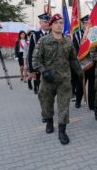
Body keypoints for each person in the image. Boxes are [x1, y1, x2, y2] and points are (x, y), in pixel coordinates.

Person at [33, 13, 83, 145]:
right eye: (56, 23)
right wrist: (44, 72)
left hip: (64, 79)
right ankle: (49, 121)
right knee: (46, 103)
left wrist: (79, 72)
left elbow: (73, 59)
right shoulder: (43, 41)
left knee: (64, 106)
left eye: (61, 23)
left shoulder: (68, 41)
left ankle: (62, 130)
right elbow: (36, 60)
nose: (59, 25)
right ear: (51, 25)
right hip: (48, 80)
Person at [73, 15, 96, 110]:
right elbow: (75, 49)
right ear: (83, 24)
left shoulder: (95, 34)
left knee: (92, 85)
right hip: (82, 63)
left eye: (89, 23)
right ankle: (78, 101)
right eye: (86, 23)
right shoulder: (77, 34)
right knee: (80, 84)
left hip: (93, 63)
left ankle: (92, 104)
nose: (88, 24)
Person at [28, 13, 50, 95]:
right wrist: (31, 70)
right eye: (45, 22)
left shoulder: (53, 35)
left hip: (50, 66)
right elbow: (30, 53)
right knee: (39, 84)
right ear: (40, 23)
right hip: (39, 65)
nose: (47, 23)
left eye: (48, 22)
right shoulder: (34, 35)